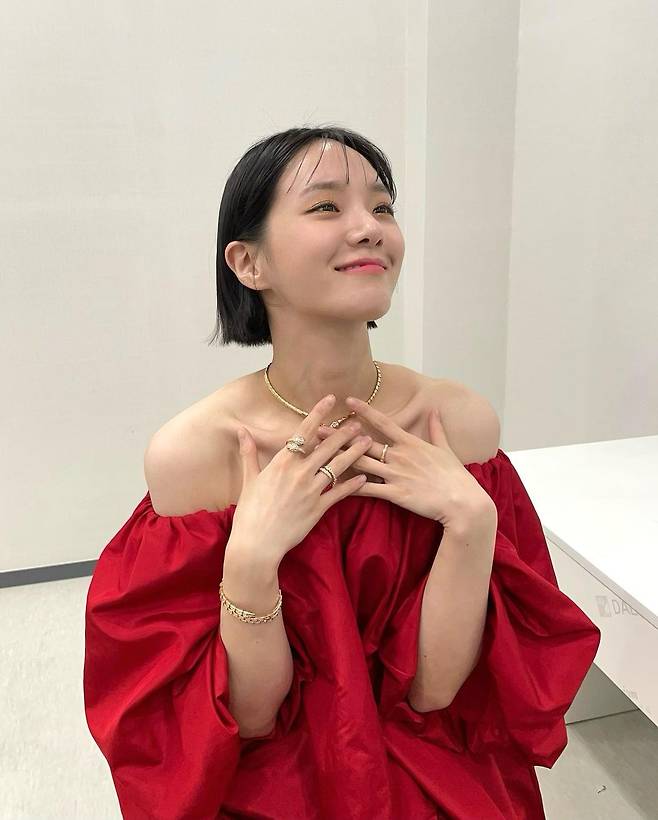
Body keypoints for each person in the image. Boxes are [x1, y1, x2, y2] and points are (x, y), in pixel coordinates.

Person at [83, 125, 601, 819]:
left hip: (436, 765)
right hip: (279, 786)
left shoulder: (455, 422)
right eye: (327, 206)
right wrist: (251, 561)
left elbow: (436, 693)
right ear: (248, 262)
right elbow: (250, 717)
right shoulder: (197, 454)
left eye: (383, 208)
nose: (369, 228)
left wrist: (472, 523)